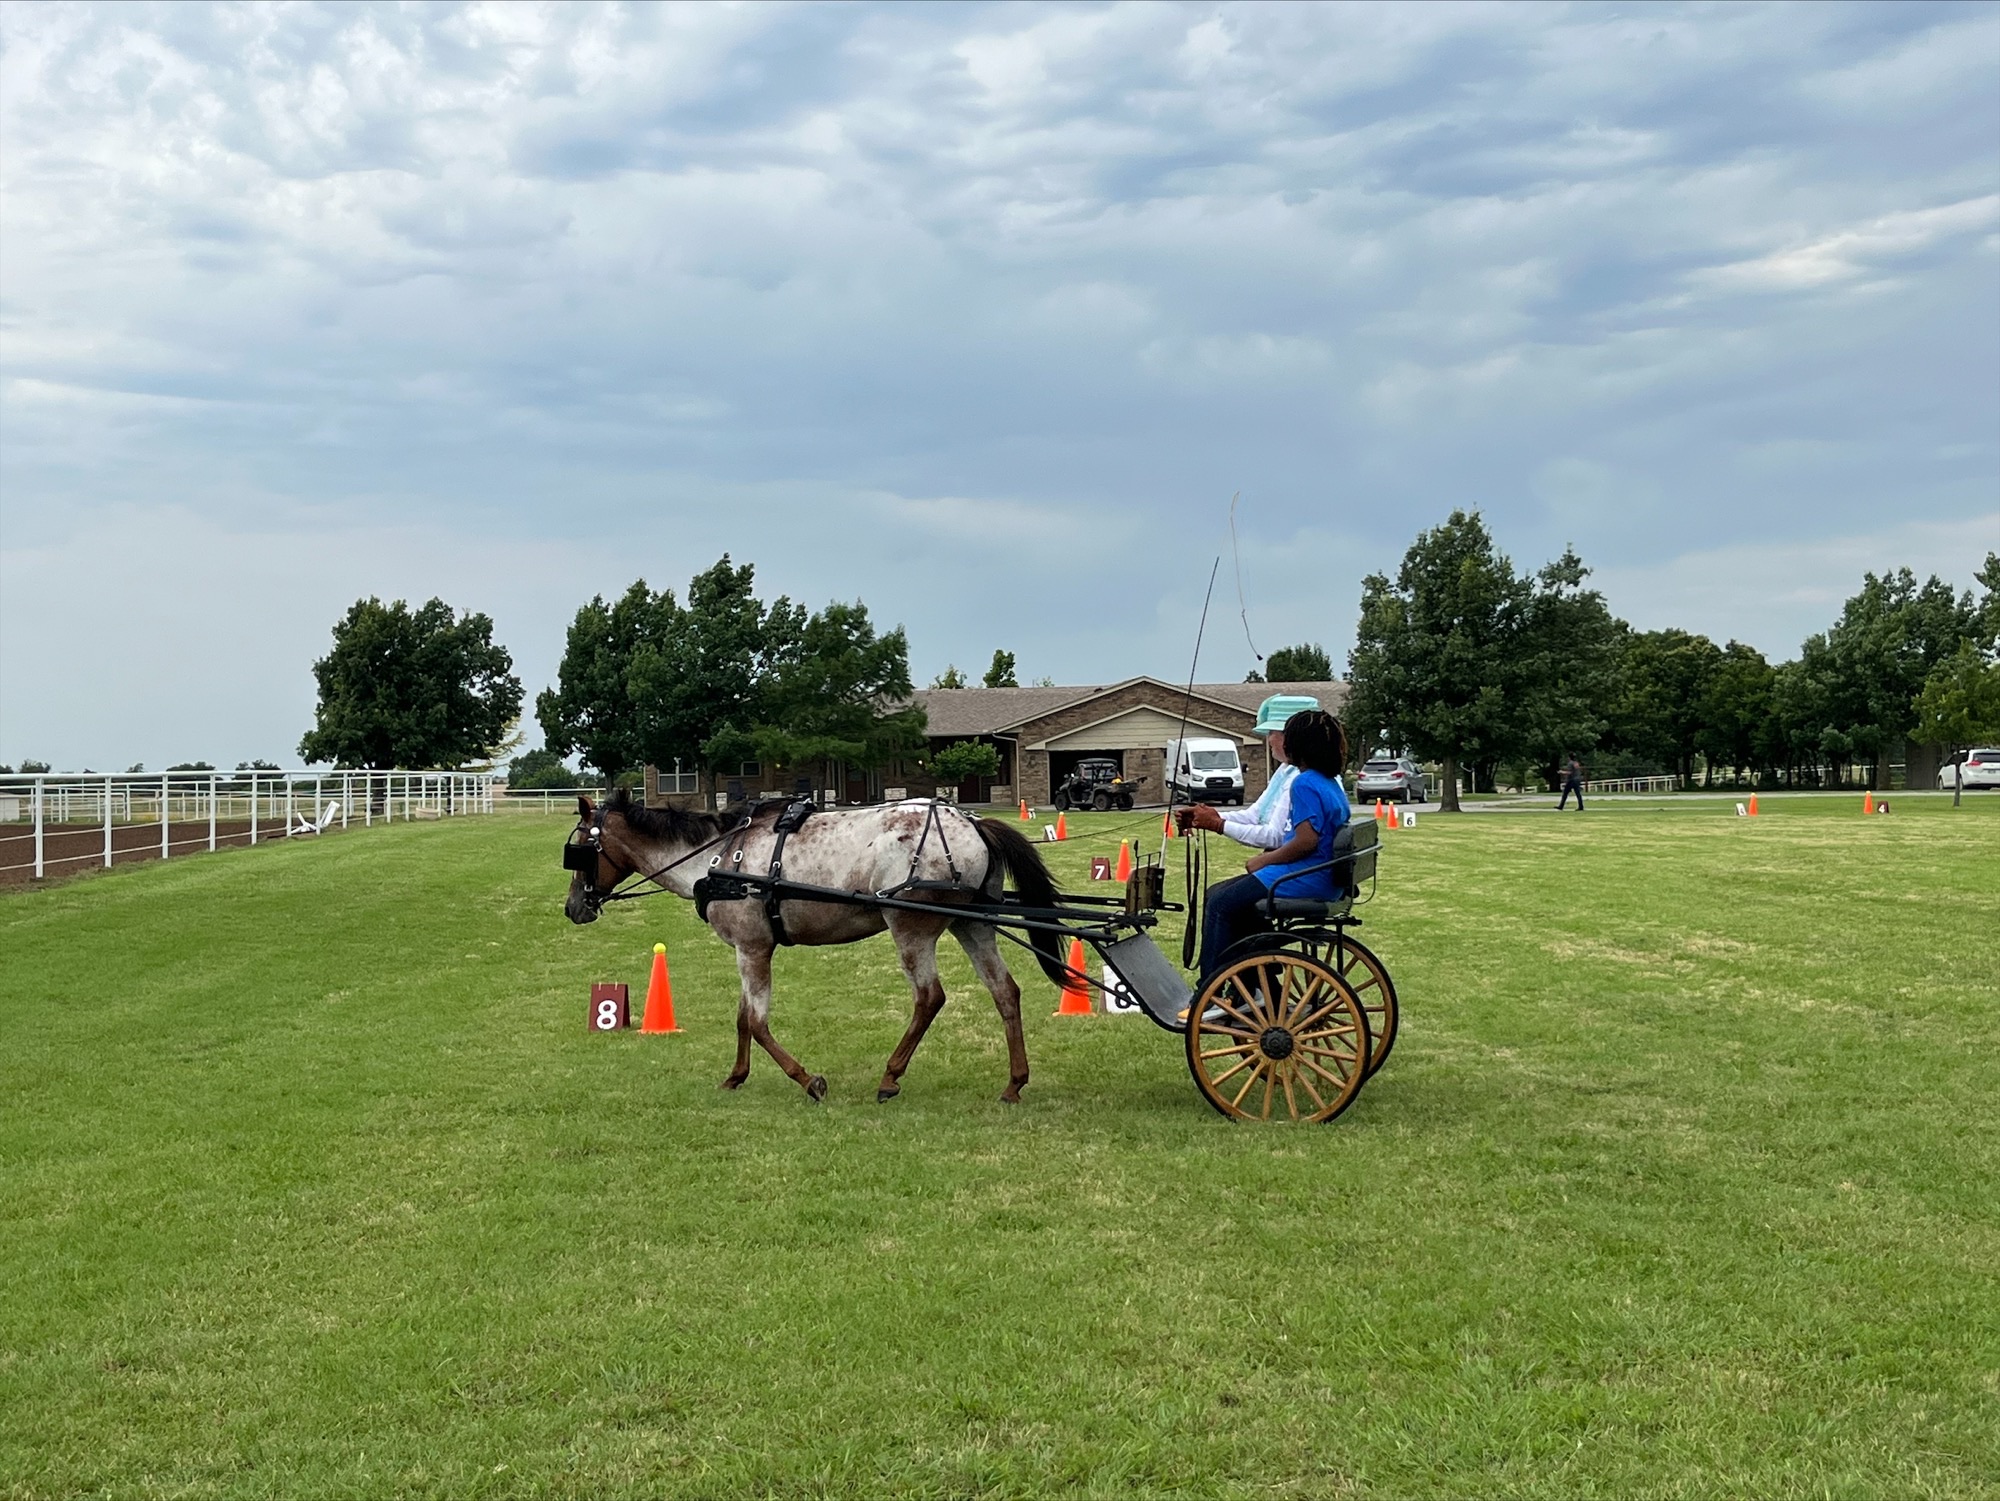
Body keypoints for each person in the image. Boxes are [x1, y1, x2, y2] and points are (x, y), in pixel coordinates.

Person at [1196, 708, 1352, 987]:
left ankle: (1212, 988)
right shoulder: (1329, 783)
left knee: (1220, 903)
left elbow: (1306, 841)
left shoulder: (1303, 783)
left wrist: (1265, 862)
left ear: (1301, 745)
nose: (1278, 742)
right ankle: (1257, 983)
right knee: (1222, 894)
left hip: (1307, 876)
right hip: (1324, 876)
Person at [1176, 693, 1319, 850]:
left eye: (1271, 732)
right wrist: (1210, 816)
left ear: (1289, 737)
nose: (1268, 739)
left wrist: (1218, 824)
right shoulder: (1285, 769)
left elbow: (1275, 836)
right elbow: (1255, 815)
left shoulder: (1300, 778)